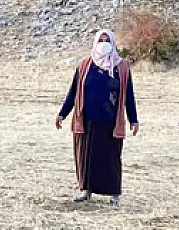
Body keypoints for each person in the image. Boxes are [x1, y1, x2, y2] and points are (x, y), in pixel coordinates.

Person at [55, 30, 139, 206]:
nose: (104, 43)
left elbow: (128, 95)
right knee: (86, 157)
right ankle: (87, 190)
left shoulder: (121, 67)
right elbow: (73, 92)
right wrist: (62, 113)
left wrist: (133, 119)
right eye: (100, 40)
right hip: (86, 120)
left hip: (110, 122)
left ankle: (114, 193)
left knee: (111, 158)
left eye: (107, 40)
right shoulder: (85, 65)